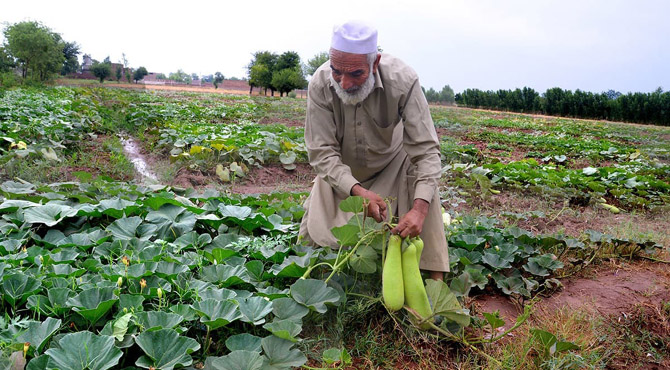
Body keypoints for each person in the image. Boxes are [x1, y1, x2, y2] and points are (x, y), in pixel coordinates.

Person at [299, 21, 449, 280]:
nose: (344, 83)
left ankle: (436, 286)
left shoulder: (403, 80)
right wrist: (357, 191)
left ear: (375, 63)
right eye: (337, 72)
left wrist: (419, 210)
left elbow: (426, 151)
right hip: (342, 172)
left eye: (356, 74)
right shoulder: (321, 84)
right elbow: (322, 153)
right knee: (310, 241)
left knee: (424, 186)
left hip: (393, 163)